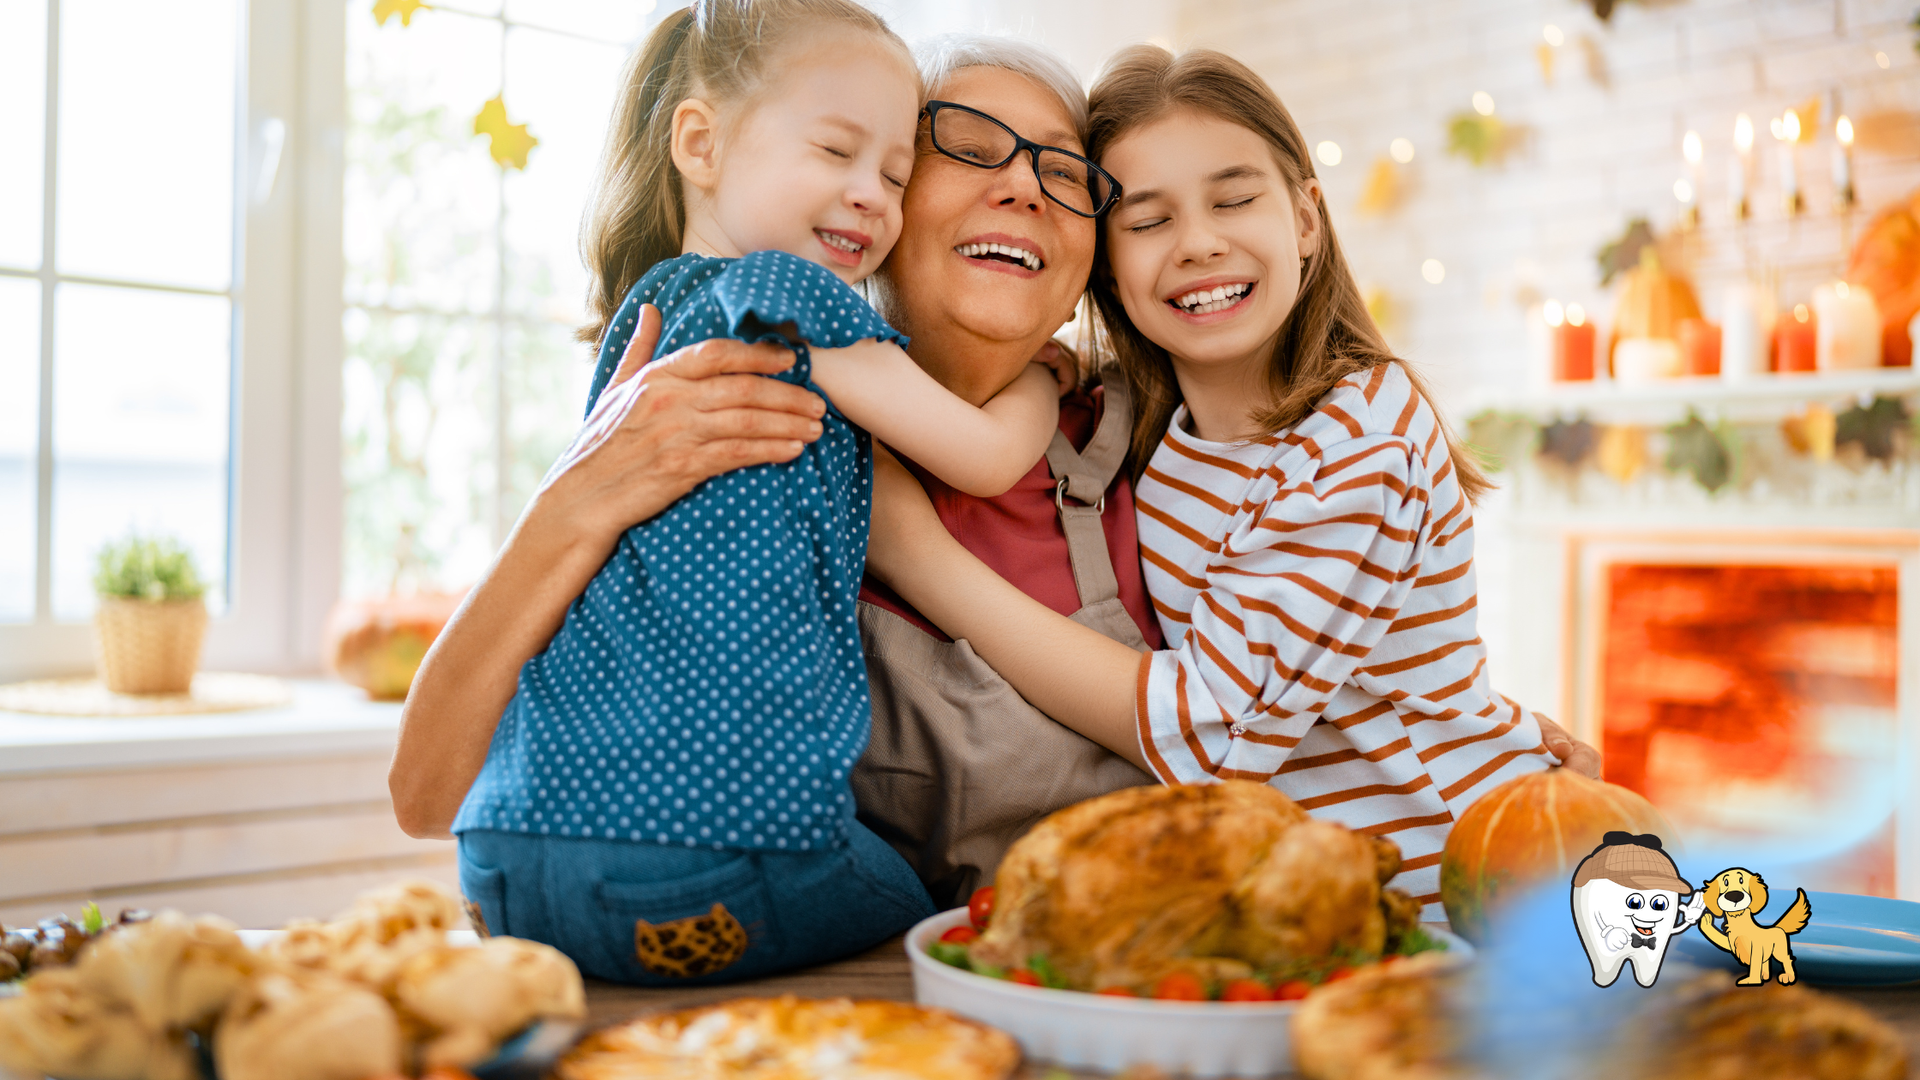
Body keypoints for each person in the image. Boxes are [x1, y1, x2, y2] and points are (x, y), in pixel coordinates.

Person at [402, 0, 1081, 986]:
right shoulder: (791, 298)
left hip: (506, 860)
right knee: (939, 918)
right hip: (715, 857)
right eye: (837, 152)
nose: (870, 199)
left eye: (892, 175)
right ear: (700, 141)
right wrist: (1044, 379)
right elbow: (982, 458)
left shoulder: (647, 326)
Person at [863, 46, 1573, 919]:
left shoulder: (1360, 439)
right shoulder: (1144, 420)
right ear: (1108, 269)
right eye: (1149, 221)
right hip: (1293, 907)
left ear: (1307, 218)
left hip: (1449, 901)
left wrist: (913, 555)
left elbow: (1209, 733)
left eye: (1234, 200)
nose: (1200, 243)